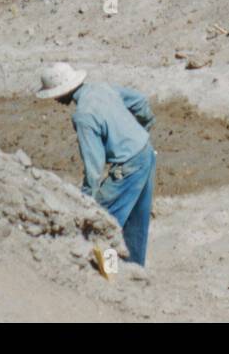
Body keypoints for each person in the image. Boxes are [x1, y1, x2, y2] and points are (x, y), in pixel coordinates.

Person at [38, 63, 156, 267]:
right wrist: (143, 126)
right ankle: (135, 270)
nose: (56, 100)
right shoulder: (102, 88)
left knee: (103, 223)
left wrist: (86, 200)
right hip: (145, 151)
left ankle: (108, 272)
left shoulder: (83, 115)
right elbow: (140, 101)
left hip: (128, 166)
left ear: (62, 91)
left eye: (55, 95)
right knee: (137, 220)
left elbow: (93, 166)